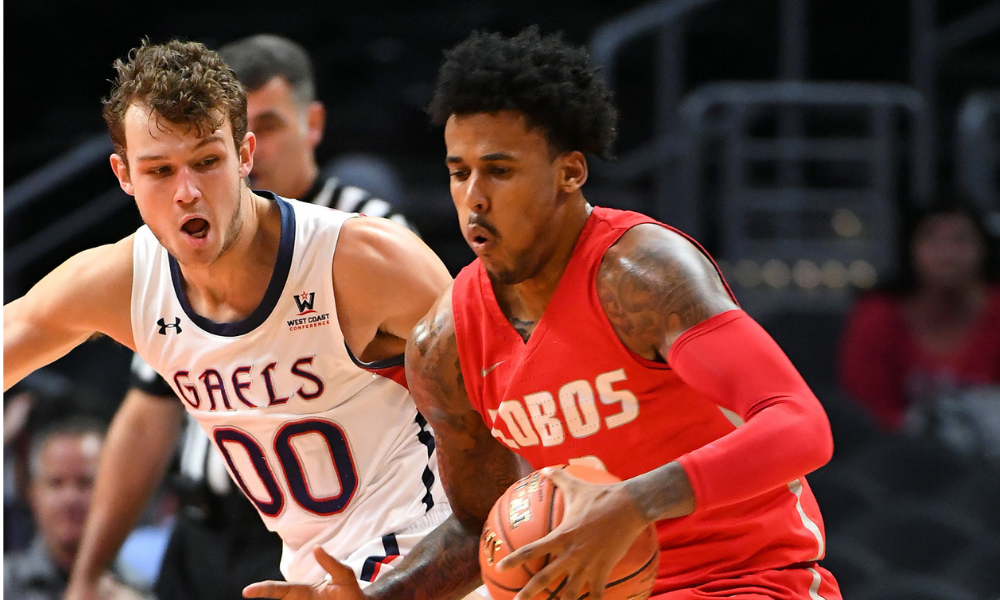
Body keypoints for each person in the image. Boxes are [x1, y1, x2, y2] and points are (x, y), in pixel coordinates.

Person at [244, 27, 842, 600]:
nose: (474, 196)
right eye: (459, 172)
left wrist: (635, 503)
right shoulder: (445, 341)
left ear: (570, 172)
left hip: (748, 579)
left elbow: (800, 424)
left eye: (500, 170)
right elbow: (479, 525)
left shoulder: (644, 276)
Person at [2, 38, 453, 600]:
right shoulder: (121, 283)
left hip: (430, 556)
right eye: (160, 170)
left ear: (244, 154)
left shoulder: (361, 260)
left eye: (207, 161)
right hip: (303, 573)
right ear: (124, 174)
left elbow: (512, 404)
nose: (187, 191)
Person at [838, 199, 1000, 432]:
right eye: (933, 241)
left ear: (984, 249)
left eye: (961, 241)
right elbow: (864, 412)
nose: (947, 255)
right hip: (895, 455)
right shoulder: (877, 317)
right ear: (910, 249)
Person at [3, 418, 145, 600]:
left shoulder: (138, 589)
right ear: (33, 495)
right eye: (56, 483)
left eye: (86, 483)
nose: (70, 499)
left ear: (114, 495)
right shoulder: (6, 584)